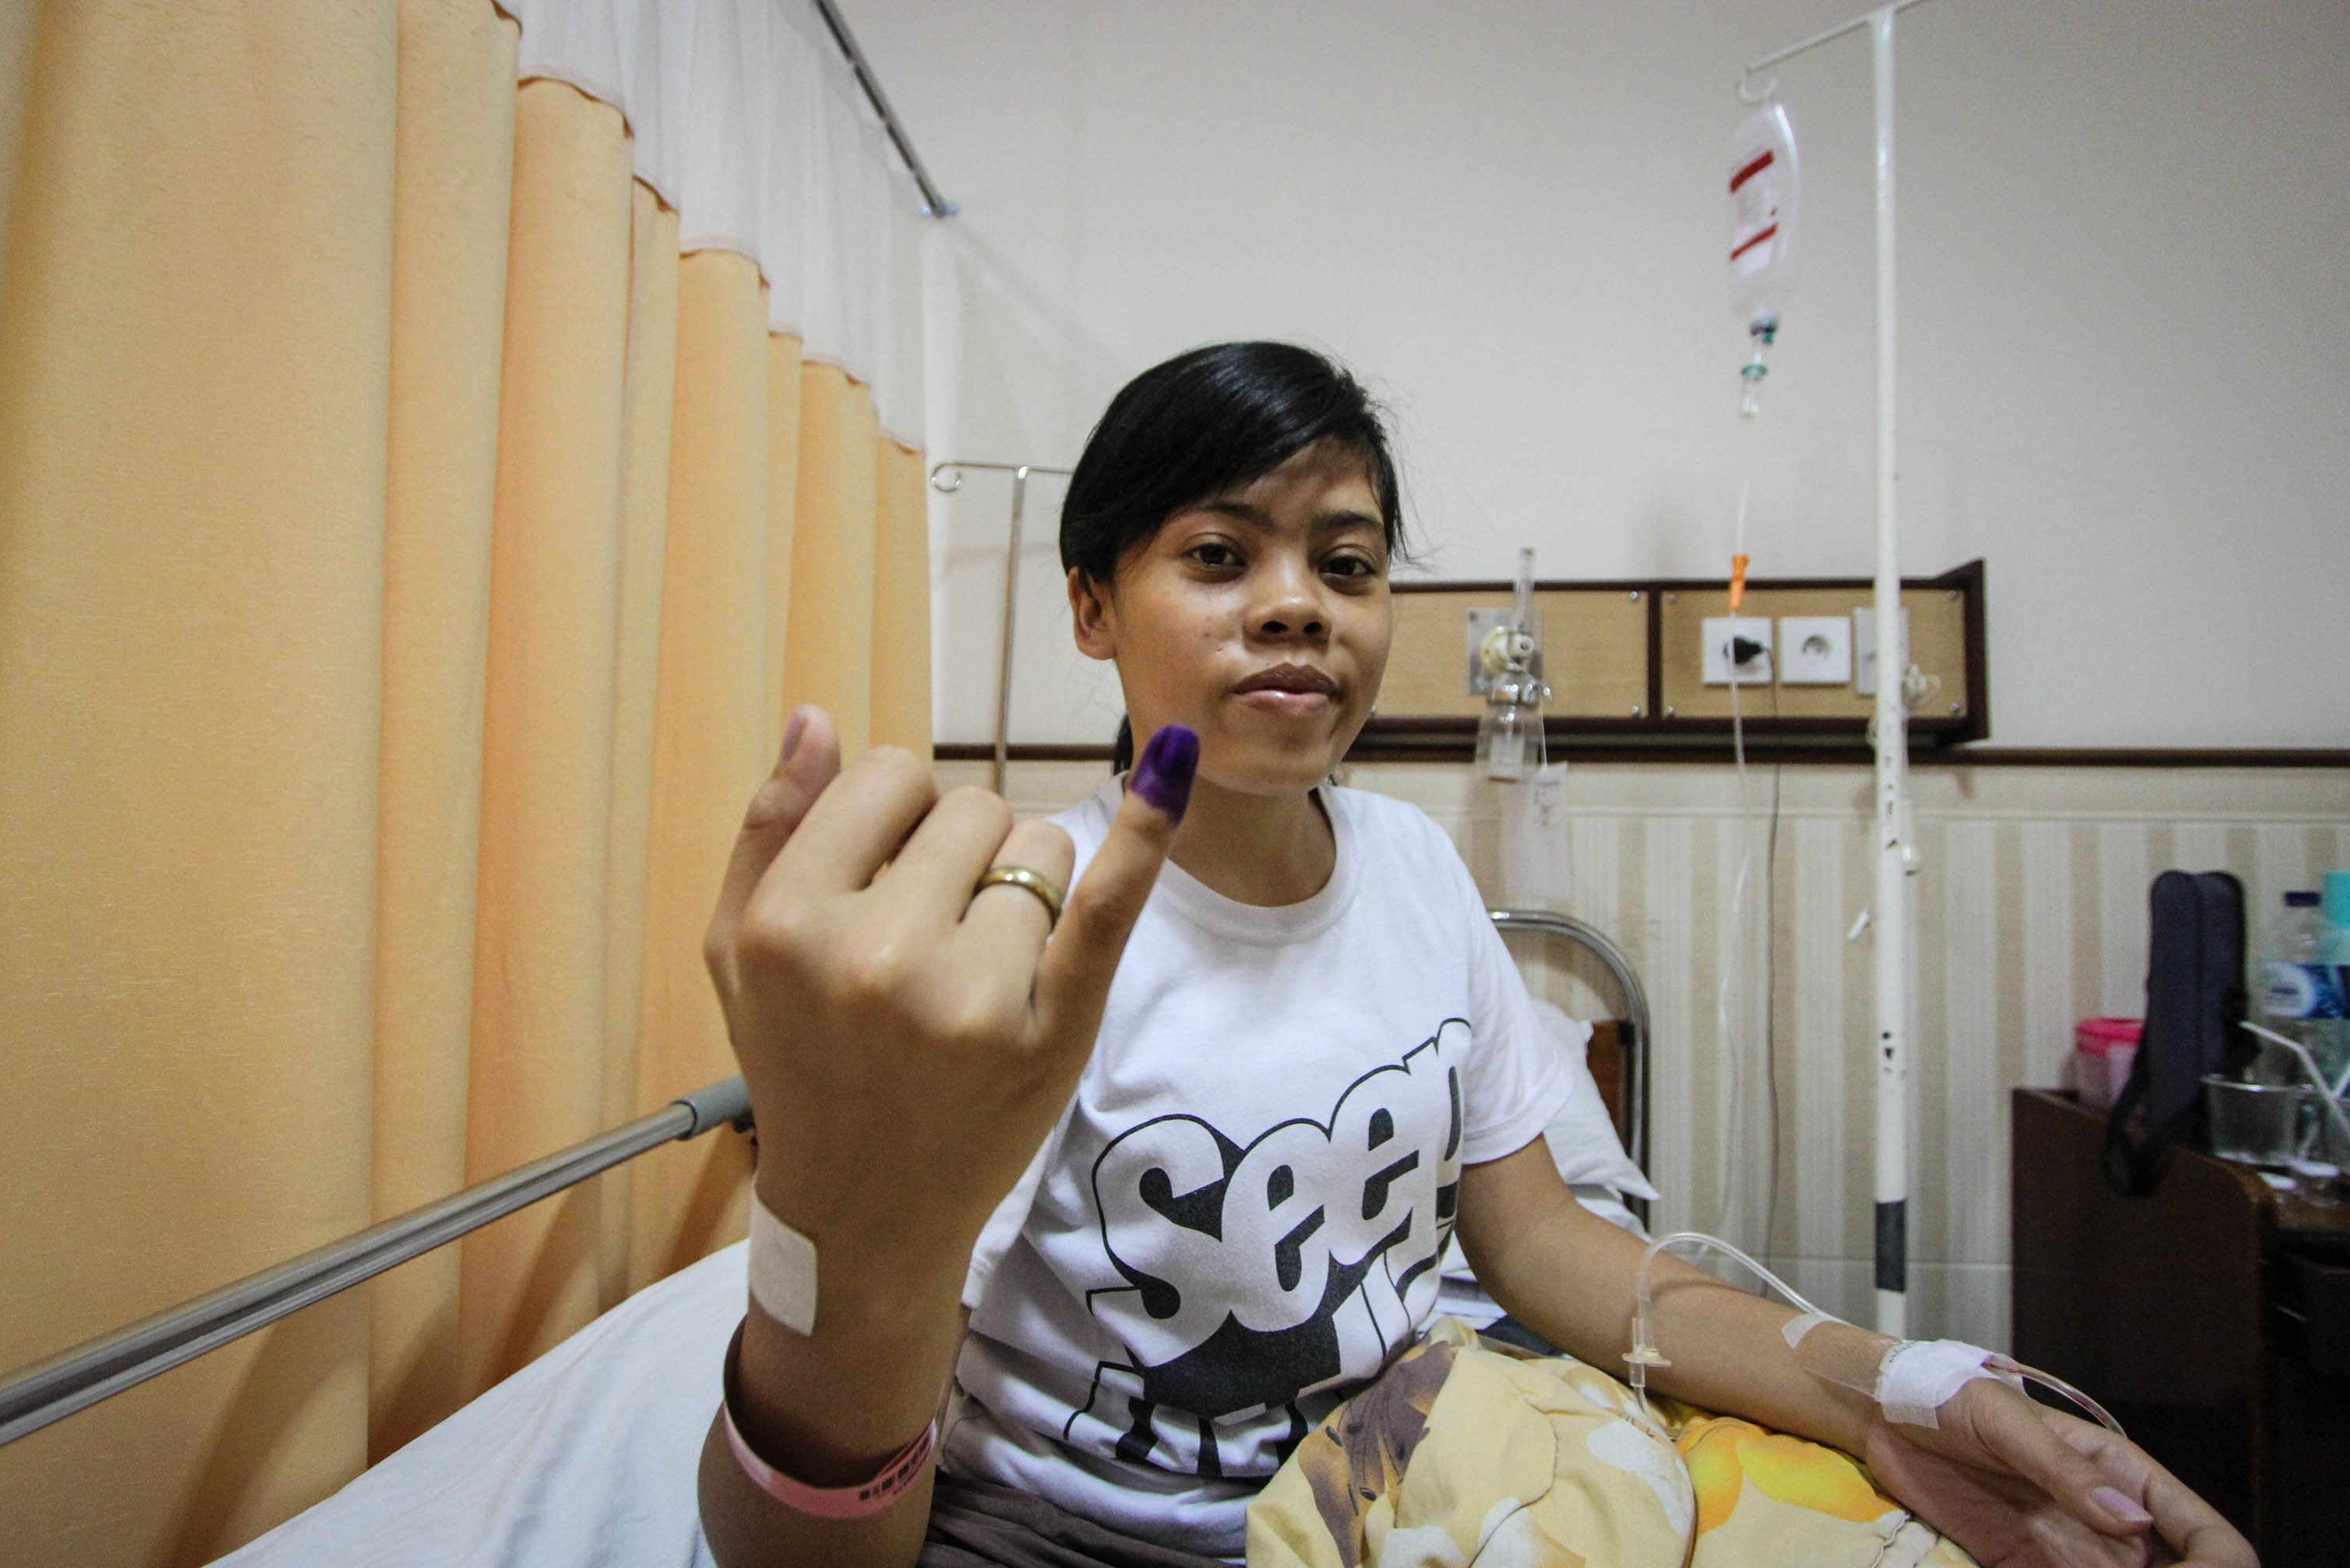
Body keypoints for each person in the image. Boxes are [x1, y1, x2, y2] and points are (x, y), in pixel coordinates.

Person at [696, 343, 2254, 1568]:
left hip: (1402, 1492)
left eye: (1349, 564)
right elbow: (787, 1546)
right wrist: (833, 1237)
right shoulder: (1009, 928)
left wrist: (1899, 1392)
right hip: (1075, 1536)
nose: (1298, 605)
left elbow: (1544, 1247)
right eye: (1221, 554)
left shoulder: (1419, 876)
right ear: (1095, 608)